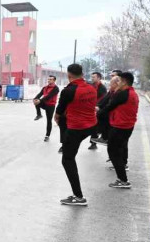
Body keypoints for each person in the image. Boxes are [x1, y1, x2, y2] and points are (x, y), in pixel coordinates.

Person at [55, 63, 98, 206]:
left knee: (67, 159)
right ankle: (77, 195)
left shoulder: (69, 90)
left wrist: (58, 118)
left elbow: (59, 112)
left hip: (76, 128)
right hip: (90, 126)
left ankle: (78, 197)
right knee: (70, 155)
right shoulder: (91, 88)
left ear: (69, 75)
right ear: (82, 73)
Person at [99, 72, 138, 189]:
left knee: (113, 152)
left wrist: (96, 115)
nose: (117, 83)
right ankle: (122, 179)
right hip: (126, 126)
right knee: (117, 151)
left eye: (119, 81)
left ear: (125, 82)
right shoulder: (132, 93)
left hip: (120, 127)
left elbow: (108, 107)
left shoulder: (123, 94)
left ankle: (123, 180)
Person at [33, 75, 59, 141]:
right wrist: (35, 98)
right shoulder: (45, 87)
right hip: (44, 103)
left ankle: (47, 136)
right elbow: (40, 94)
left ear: (54, 80)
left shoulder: (56, 88)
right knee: (36, 101)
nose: (49, 80)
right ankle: (39, 114)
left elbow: (48, 96)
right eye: (48, 79)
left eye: (50, 79)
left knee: (49, 121)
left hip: (51, 106)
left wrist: (40, 100)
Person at [88, 72, 108, 150]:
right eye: (91, 77)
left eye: (94, 77)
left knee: (94, 127)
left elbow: (103, 100)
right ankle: (93, 142)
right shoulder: (90, 86)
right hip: (90, 109)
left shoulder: (102, 88)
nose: (92, 78)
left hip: (97, 109)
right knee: (92, 127)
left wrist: (97, 106)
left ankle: (93, 143)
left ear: (99, 78)